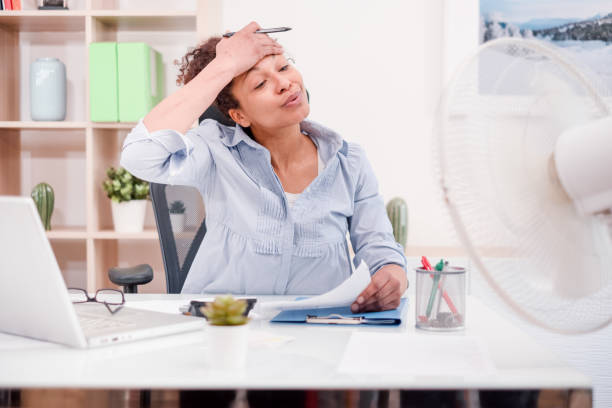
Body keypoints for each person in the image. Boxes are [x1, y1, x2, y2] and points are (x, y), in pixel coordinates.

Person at [120, 21, 407, 314]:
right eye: (260, 84)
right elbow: (140, 155)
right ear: (239, 115)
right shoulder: (215, 150)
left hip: (318, 328)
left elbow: (378, 245)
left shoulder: (349, 162)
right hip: (226, 325)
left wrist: (392, 274)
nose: (285, 84)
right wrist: (225, 66)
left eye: (284, 68)